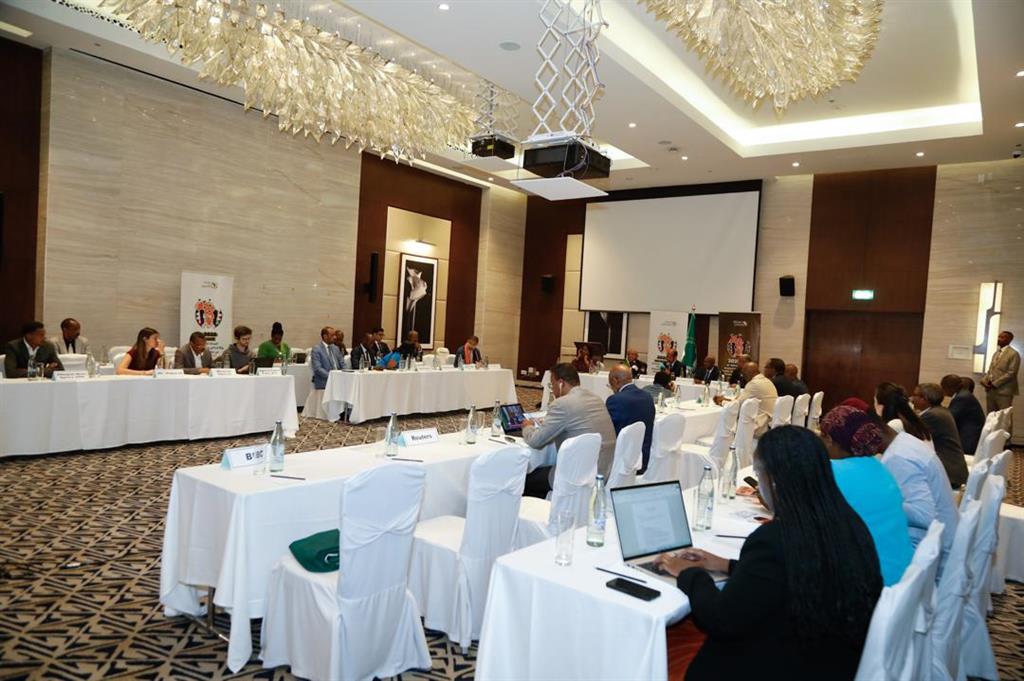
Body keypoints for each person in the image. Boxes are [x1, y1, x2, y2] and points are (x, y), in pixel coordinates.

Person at [654, 426, 881, 681]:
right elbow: (790, 574)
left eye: (758, 474)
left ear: (772, 481)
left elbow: (720, 619)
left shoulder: (774, 539)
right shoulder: (850, 523)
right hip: (833, 663)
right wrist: (726, 565)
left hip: (778, 664)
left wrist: (690, 573)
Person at [819, 405, 914, 586]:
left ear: (829, 440)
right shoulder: (880, 468)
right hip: (902, 579)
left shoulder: (833, 472)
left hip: (871, 583)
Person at [522, 363, 616, 498]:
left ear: (561, 383)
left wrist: (527, 426)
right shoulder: (596, 398)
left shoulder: (562, 404)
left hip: (575, 478)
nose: (553, 390)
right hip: (603, 471)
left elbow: (536, 441)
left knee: (523, 479)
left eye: (552, 385)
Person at [876, 417, 958, 570]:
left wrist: (883, 501)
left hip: (935, 555)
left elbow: (924, 514)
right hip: (943, 540)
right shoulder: (905, 442)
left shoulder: (897, 458)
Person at [911, 383, 968, 488]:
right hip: (952, 469)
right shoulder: (940, 411)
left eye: (915, 395)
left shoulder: (931, 416)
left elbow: (911, 438)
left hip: (948, 474)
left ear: (925, 399)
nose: (911, 399)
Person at [606, 364, 656, 473]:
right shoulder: (647, 397)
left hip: (622, 464)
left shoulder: (615, 400)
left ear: (615, 380)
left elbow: (608, 431)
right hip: (643, 460)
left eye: (609, 384)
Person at [714, 362, 777, 437]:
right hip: (769, 423)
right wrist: (727, 400)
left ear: (748, 373)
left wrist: (722, 402)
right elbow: (740, 402)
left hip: (758, 426)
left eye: (743, 374)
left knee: (725, 422)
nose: (743, 377)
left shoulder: (754, 383)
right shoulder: (767, 381)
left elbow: (736, 406)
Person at [941, 374, 985, 455]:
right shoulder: (964, 394)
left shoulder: (961, 397)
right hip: (971, 435)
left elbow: (949, 418)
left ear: (950, 387)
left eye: (943, 387)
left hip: (968, 440)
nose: (943, 391)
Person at [981, 330, 1019, 415]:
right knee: (991, 416)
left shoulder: (1014, 354)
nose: (998, 339)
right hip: (990, 391)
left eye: (1002, 337)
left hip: (1004, 392)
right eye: (999, 337)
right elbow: (991, 370)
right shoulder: (996, 353)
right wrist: (984, 381)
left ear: (1009, 339)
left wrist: (995, 384)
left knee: (1004, 417)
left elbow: (1011, 373)